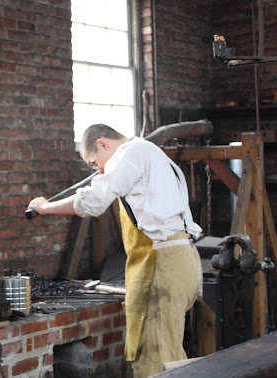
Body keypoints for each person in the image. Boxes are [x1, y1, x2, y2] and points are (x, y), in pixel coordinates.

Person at [27, 124, 202, 377]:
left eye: (93, 162)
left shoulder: (129, 154)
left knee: (155, 359)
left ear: (103, 144)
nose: (97, 169)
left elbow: (93, 201)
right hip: (182, 259)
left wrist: (46, 207)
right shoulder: (153, 154)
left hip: (163, 263)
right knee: (170, 352)